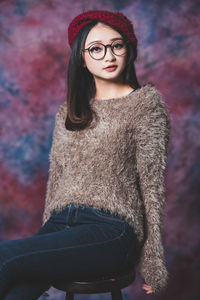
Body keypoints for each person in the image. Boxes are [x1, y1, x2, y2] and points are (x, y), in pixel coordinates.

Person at [0, 10, 171, 299]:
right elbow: (56, 183)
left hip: (111, 232)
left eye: (117, 45)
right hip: (61, 225)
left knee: (4, 257)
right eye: (96, 48)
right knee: (18, 288)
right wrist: (46, 247)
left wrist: (153, 266)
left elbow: (152, 188)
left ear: (129, 49)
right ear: (81, 56)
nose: (109, 56)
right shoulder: (68, 112)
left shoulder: (146, 105)